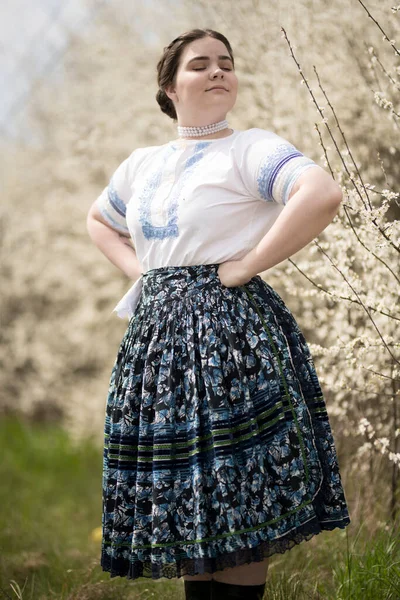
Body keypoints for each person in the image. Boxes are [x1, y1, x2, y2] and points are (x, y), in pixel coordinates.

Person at [86, 28, 351, 600]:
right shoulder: (142, 164)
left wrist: (247, 264)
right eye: (199, 64)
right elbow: (100, 221)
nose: (216, 72)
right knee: (188, 495)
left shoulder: (249, 147)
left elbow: (321, 193)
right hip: (157, 343)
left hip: (229, 336)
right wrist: (146, 274)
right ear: (169, 87)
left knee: (234, 492)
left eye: (225, 64)